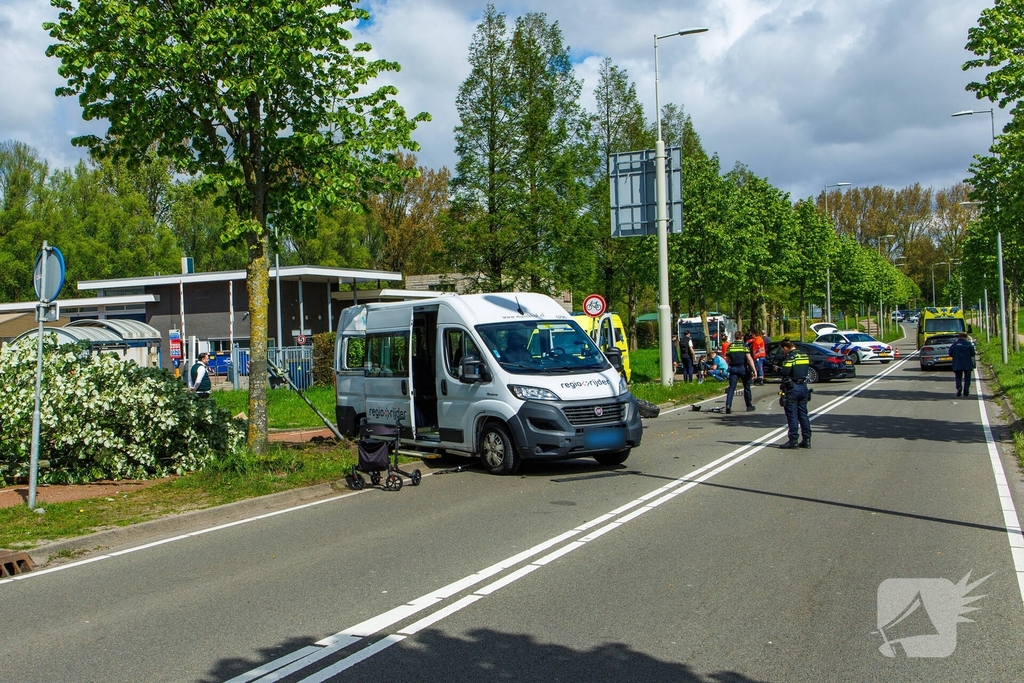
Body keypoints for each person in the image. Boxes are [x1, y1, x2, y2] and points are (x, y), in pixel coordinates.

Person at [775, 339, 811, 449]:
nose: (783, 352)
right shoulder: (804, 355)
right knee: (803, 415)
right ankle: (807, 439)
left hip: (792, 388)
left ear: (786, 347)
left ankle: (793, 440)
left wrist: (777, 369)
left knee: (792, 415)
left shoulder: (790, 357)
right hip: (803, 387)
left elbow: (785, 372)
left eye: (783, 350)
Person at [724, 331, 758, 414]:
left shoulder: (730, 346)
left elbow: (727, 359)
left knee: (731, 388)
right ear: (742, 337)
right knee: (746, 387)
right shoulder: (744, 346)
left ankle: (728, 406)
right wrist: (754, 370)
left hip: (733, 368)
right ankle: (749, 406)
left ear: (735, 337)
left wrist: (728, 368)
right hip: (743, 368)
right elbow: (749, 359)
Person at [949, 332, 976, 397]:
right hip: (967, 363)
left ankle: (959, 387)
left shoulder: (954, 344)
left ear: (959, 337)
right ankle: (966, 390)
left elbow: (950, 353)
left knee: (958, 377)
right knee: (967, 378)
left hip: (957, 363)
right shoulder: (968, 344)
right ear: (966, 337)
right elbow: (973, 354)